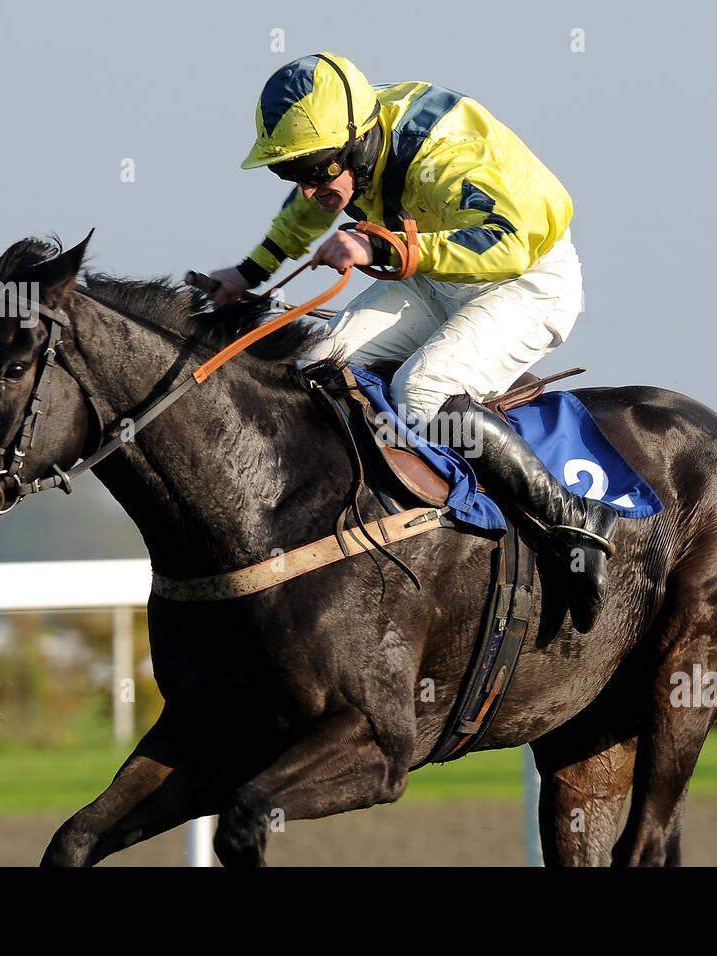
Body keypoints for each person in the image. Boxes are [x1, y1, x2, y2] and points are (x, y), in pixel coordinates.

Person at [206, 52, 617, 632]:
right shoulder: (348, 145)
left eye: (318, 169)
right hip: (434, 274)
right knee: (319, 366)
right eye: (289, 172)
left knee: (421, 393)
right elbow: (312, 201)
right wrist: (248, 273)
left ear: (357, 144)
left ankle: (576, 522)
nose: (307, 186)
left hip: (526, 280)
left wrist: (378, 250)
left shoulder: (443, 156)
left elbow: (510, 242)